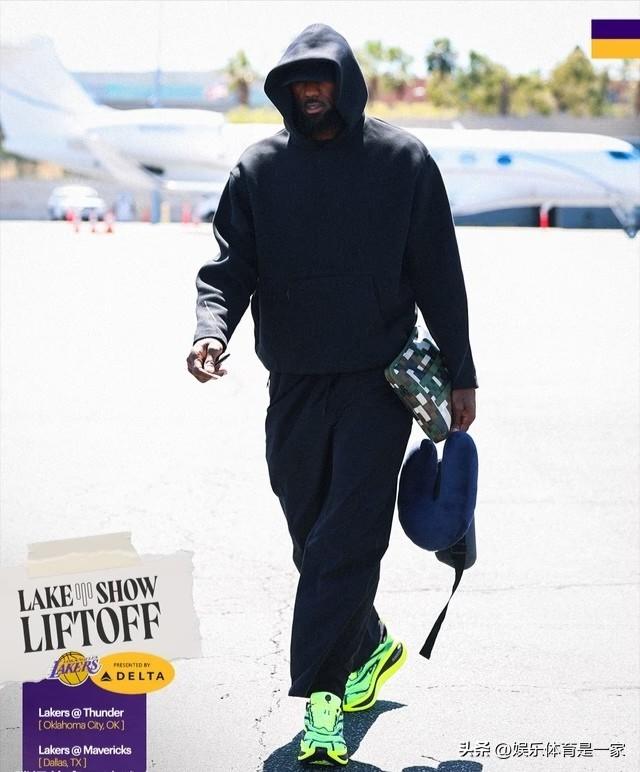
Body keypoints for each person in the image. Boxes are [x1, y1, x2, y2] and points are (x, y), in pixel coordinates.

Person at [187, 23, 477, 767]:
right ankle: (370, 644)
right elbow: (229, 267)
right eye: (297, 83)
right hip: (293, 382)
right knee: (312, 537)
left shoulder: (402, 161)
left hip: (379, 384)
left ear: (346, 83)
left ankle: (322, 711)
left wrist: (462, 371)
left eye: (321, 79)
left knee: (345, 539)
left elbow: (439, 270)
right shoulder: (259, 169)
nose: (310, 92)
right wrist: (211, 332)